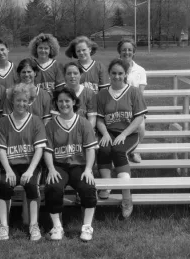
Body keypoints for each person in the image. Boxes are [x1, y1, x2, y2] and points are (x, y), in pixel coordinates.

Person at [44, 87, 98, 241]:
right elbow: (47, 151)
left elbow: (90, 150)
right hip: (59, 165)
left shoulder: (84, 123)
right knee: (53, 186)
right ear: (56, 103)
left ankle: (87, 227)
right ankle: (57, 227)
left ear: (74, 102)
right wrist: (51, 169)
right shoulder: (51, 125)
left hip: (79, 166)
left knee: (88, 187)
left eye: (67, 100)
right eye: (60, 101)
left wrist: (88, 169)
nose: (64, 104)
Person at [96, 59, 147, 218]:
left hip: (129, 133)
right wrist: (105, 134)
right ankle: (107, 186)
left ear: (125, 74)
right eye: (114, 73)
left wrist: (124, 134)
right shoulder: (102, 94)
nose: (117, 76)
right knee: (103, 149)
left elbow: (139, 119)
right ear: (109, 74)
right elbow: (99, 119)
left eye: (120, 73)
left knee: (118, 151)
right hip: (109, 131)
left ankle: (127, 197)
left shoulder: (133, 92)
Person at [0, 83, 47, 241]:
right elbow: (1, 149)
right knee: (5, 185)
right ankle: (4, 225)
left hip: (30, 165)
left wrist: (31, 170)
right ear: (12, 100)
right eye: (18, 100)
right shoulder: (4, 122)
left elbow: (39, 149)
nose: (21, 104)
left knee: (32, 185)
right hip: (10, 165)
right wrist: (9, 170)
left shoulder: (36, 121)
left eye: (25, 100)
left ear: (29, 101)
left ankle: (34, 224)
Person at [117, 38, 147, 163]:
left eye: (130, 50)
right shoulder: (114, 68)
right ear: (119, 51)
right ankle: (118, 152)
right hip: (118, 106)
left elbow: (140, 94)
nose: (127, 52)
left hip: (135, 106)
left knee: (141, 127)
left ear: (134, 52)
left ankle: (134, 150)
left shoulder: (140, 70)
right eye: (124, 50)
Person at [2, 58, 52, 124]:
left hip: (38, 132)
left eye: (29, 72)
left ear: (35, 73)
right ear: (19, 74)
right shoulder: (12, 93)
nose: (26, 75)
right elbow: (6, 119)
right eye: (23, 72)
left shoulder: (44, 94)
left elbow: (46, 119)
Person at [63, 62, 97, 129]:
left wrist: (85, 132)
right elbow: (55, 117)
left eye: (75, 73)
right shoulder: (59, 93)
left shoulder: (89, 93)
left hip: (84, 130)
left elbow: (92, 118)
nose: (72, 76)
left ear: (80, 75)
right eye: (69, 73)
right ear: (65, 76)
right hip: (65, 130)